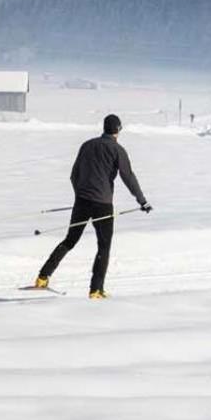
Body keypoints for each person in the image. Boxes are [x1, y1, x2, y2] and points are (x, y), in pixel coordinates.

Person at [34, 114, 151, 298]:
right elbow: (128, 177)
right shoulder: (118, 150)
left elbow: (74, 175)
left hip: (82, 201)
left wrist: (80, 195)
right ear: (118, 130)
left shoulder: (87, 145)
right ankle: (96, 289)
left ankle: (42, 277)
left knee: (70, 240)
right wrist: (142, 201)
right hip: (102, 205)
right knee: (103, 247)